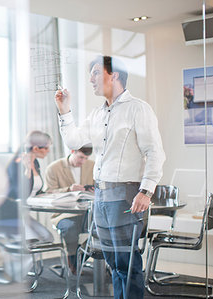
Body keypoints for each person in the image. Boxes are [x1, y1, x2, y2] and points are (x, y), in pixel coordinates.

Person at [54, 56, 165, 299]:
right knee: (113, 262)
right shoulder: (96, 114)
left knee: (127, 260)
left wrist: (146, 191)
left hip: (126, 195)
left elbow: (155, 153)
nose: (90, 79)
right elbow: (74, 141)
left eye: (95, 72)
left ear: (113, 75)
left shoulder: (138, 108)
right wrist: (64, 109)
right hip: (102, 196)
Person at [0, 131, 54, 281]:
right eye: (46, 148)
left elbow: (35, 188)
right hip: (10, 214)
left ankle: (10, 261)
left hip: (24, 214)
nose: (48, 151)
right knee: (31, 242)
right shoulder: (18, 162)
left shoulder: (36, 163)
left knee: (47, 237)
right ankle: (15, 277)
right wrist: (27, 169)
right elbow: (19, 193)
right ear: (35, 148)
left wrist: (47, 193)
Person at [43, 146, 94, 274]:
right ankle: (73, 258)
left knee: (103, 227)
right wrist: (68, 190)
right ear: (72, 152)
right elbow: (48, 192)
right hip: (63, 214)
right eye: (81, 157)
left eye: (86, 158)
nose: (83, 161)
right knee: (70, 228)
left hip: (87, 213)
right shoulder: (54, 168)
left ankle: (81, 255)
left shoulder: (93, 166)